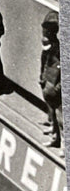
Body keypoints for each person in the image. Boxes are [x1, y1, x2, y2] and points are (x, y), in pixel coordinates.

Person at [40, 19, 63, 155]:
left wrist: (58, 88)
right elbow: (45, 65)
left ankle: (64, 148)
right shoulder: (48, 46)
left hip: (56, 90)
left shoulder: (59, 50)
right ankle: (55, 139)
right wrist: (42, 79)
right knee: (53, 116)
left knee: (62, 121)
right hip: (48, 86)